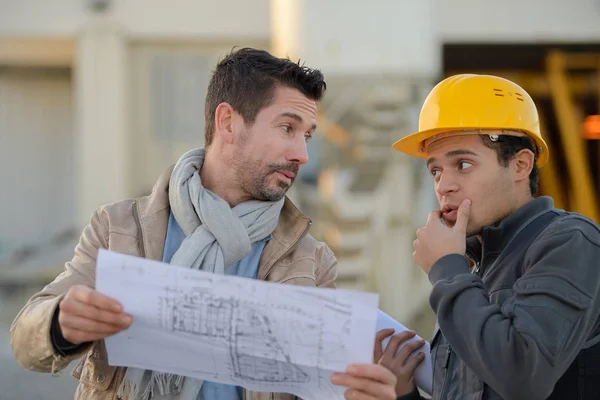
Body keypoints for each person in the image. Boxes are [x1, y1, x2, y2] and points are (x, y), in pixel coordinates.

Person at [10, 47, 398, 400]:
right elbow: (25, 341)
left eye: (307, 136)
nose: (302, 154)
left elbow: (321, 387)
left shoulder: (313, 262)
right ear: (228, 122)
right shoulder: (119, 227)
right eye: (287, 128)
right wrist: (60, 323)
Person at [388, 73, 600, 400]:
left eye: (463, 164)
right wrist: (404, 393)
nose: (444, 185)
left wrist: (446, 268)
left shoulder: (571, 240)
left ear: (520, 165)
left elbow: (523, 377)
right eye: (436, 170)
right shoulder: (474, 271)